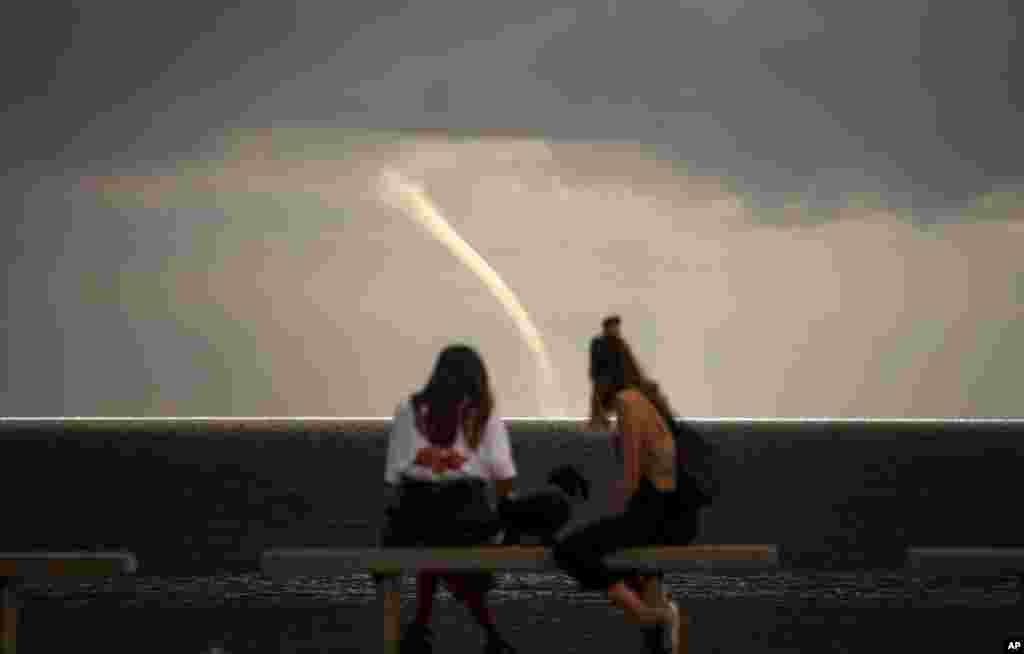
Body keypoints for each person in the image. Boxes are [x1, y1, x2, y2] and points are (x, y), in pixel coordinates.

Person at [553, 319, 699, 654]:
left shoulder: (629, 404)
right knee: (631, 566)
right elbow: (598, 424)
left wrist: (603, 521)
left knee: (570, 549)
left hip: (655, 516)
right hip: (671, 514)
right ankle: (660, 618)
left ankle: (647, 616)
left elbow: (631, 479)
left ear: (600, 371)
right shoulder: (641, 398)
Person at [380, 344, 518, 654]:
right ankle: (490, 636)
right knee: (455, 554)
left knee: (432, 545)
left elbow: (393, 476)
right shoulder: (483, 414)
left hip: (415, 513)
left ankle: (420, 627)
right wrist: (503, 511)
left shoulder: (409, 409)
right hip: (466, 512)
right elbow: (502, 471)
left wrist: (394, 518)